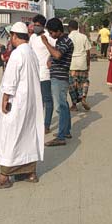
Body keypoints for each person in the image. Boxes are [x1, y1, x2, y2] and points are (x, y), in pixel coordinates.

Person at [0, 22, 45, 189]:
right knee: (28, 135)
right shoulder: (31, 52)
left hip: (17, 102)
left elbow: (10, 80)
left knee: (11, 135)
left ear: (15, 36)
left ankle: (4, 177)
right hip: (31, 102)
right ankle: (30, 172)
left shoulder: (17, 54)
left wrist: (4, 100)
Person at [40, 18, 73, 146]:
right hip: (58, 76)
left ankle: (61, 137)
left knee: (60, 107)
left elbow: (58, 55)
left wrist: (46, 43)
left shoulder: (65, 41)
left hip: (59, 78)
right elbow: (56, 54)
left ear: (59, 31)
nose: (51, 35)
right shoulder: (61, 41)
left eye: (52, 33)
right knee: (63, 105)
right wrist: (50, 59)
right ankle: (65, 131)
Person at [29, 14, 56, 134]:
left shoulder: (49, 37)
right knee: (37, 101)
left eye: (38, 25)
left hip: (45, 73)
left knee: (47, 99)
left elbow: (56, 50)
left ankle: (47, 125)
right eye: (34, 25)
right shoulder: (33, 37)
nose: (35, 27)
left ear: (43, 26)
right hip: (34, 73)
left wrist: (50, 58)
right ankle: (38, 123)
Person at [68, 20, 92, 111]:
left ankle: (74, 104)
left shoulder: (68, 38)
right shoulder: (83, 37)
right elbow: (88, 51)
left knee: (72, 85)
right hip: (82, 63)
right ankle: (83, 97)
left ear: (69, 28)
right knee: (84, 81)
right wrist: (88, 64)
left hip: (72, 64)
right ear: (77, 27)